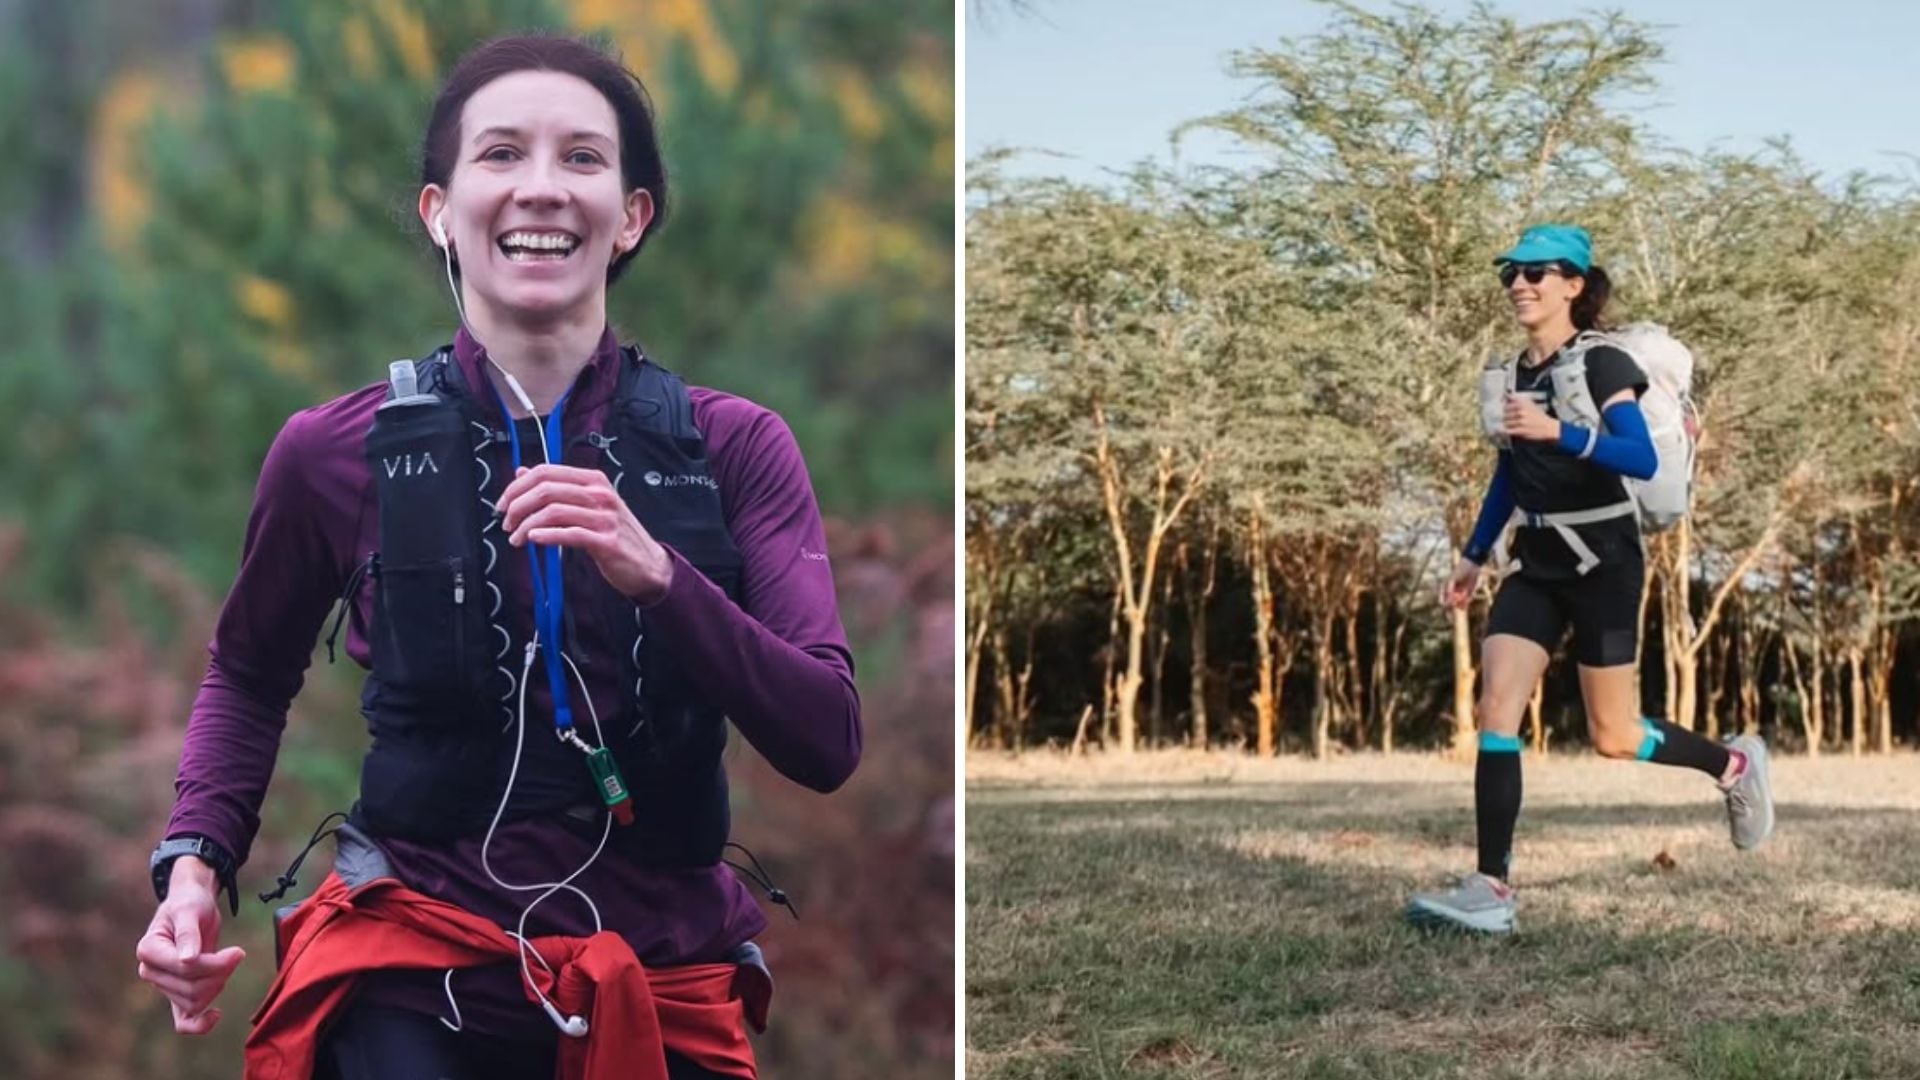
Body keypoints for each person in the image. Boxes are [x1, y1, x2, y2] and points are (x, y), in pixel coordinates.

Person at [133, 34, 860, 1078]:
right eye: (501, 154)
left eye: (582, 159)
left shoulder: (737, 446)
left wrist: (661, 577)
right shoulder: (332, 451)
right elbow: (247, 675)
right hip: (415, 970)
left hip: (662, 973)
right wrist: (193, 871)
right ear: (440, 211)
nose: (541, 190)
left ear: (632, 217)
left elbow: (828, 739)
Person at [1405, 224, 1771, 936]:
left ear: (1573, 284)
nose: (1520, 283)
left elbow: (1635, 455)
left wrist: (1560, 433)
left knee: (1613, 734)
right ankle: (1491, 889)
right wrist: (1475, 554)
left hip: (1605, 559)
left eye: (1537, 272)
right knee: (1496, 711)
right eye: (1511, 271)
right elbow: (1509, 471)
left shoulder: (1601, 363)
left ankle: (1731, 763)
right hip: (1534, 564)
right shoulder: (1513, 373)